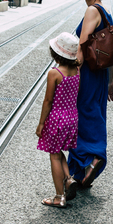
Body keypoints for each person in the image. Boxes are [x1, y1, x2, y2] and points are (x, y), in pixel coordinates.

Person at [67, 0, 113, 189]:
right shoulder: (106, 13)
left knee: (79, 116)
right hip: (100, 75)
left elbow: (82, 45)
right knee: (93, 114)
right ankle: (83, 171)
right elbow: (111, 53)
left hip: (86, 73)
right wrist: (110, 82)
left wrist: (71, 73)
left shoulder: (91, 11)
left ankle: (91, 160)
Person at [36, 32, 81, 207]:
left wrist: (41, 123)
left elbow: (48, 101)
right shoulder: (76, 70)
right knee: (59, 151)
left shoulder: (54, 73)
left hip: (57, 118)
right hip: (72, 117)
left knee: (54, 155)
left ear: (56, 53)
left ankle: (58, 197)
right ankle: (68, 179)